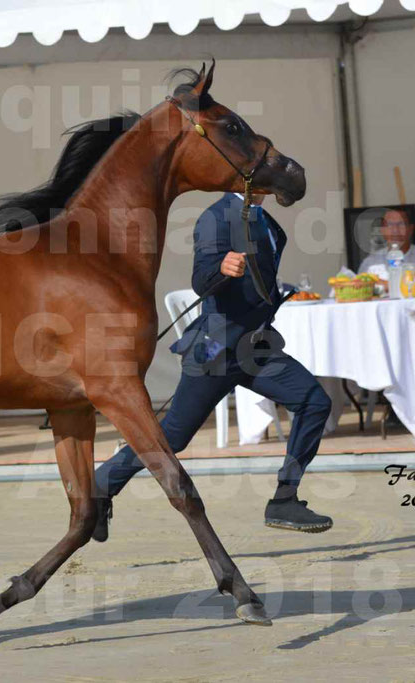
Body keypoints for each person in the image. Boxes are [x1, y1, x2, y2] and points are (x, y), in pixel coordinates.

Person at [92, 192, 333, 542]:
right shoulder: (216, 216)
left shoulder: (266, 221)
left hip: (255, 345)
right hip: (217, 347)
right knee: (174, 434)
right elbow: (201, 279)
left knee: (314, 402)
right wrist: (220, 267)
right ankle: (102, 484)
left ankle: (284, 499)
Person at [358, 208, 415, 279]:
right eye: (389, 225)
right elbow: (360, 287)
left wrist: (380, 284)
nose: (395, 230)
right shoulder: (372, 262)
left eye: (401, 224)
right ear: (382, 230)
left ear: (410, 229)